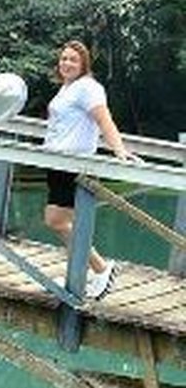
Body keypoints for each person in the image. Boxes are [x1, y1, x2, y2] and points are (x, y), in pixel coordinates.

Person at [43, 40, 133, 300]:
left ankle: (101, 269)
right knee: (62, 222)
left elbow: (104, 120)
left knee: (57, 220)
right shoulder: (67, 88)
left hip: (74, 165)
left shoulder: (88, 88)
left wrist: (119, 151)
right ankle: (79, 275)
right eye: (64, 58)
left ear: (84, 64)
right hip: (58, 164)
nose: (67, 63)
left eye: (73, 59)